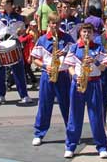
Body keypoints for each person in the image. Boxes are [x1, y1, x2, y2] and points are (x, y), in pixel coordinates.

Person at [63, 23, 107, 159]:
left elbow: (104, 68)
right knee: (74, 116)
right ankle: (70, 145)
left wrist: (95, 61)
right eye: (84, 32)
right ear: (80, 33)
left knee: (97, 117)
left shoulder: (99, 48)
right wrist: (76, 76)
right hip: (78, 83)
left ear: (93, 34)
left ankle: (101, 146)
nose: (86, 34)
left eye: (89, 32)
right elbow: (69, 67)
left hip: (94, 83)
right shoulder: (74, 48)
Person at [31, 13, 75, 146]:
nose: (55, 26)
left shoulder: (67, 38)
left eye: (57, 23)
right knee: (44, 105)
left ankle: (72, 134)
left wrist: (66, 53)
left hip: (63, 74)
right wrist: (45, 66)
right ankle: (39, 133)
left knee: (66, 105)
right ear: (49, 24)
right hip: (47, 74)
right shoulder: (43, 39)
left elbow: (76, 54)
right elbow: (34, 59)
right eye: (52, 23)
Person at [0, 0, 32, 104]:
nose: (2, 5)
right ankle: (0, 95)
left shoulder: (18, 17)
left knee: (18, 70)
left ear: (10, 4)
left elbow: (23, 31)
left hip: (13, 43)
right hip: (0, 43)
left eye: (4, 3)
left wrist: (21, 31)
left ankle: (24, 95)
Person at [18, 21, 39, 88]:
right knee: (25, 69)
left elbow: (31, 47)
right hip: (21, 56)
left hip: (27, 56)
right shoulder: (20, 37)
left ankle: (34, 81)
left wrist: (30, 57)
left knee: (27, 69)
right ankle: (28, 81)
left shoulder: (29, 37)